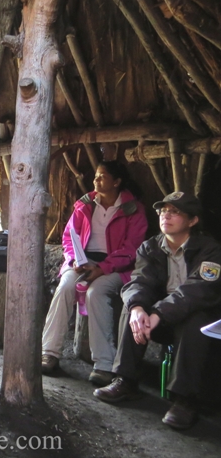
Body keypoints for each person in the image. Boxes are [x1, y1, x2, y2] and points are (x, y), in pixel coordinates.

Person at [94, 192, 221, 430]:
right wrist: (139, 308)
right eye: (163, 211)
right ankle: (126, 380)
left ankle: (185, 400)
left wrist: (158, 313)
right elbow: (139, 281)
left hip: (194, 319)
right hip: (161, 318)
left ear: (192, 221)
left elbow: (198, 292)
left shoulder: (210, 250)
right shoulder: (150, 247)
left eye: (175, 212)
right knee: (132, 311)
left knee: (197, 320)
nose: (166, 216)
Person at [41, 161, 147, 385]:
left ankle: (104, 364)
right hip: (83, 261)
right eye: (96, 176)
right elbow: (69, 237)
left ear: (116, 182)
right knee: (64, 288)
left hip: (117, 267)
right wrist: (73, 260)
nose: (96, 181)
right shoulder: (85, 204)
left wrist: (102, 268)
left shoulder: (133, 210)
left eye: (102, 177)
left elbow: (131, 250)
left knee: (96, 293)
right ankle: (49, 353)